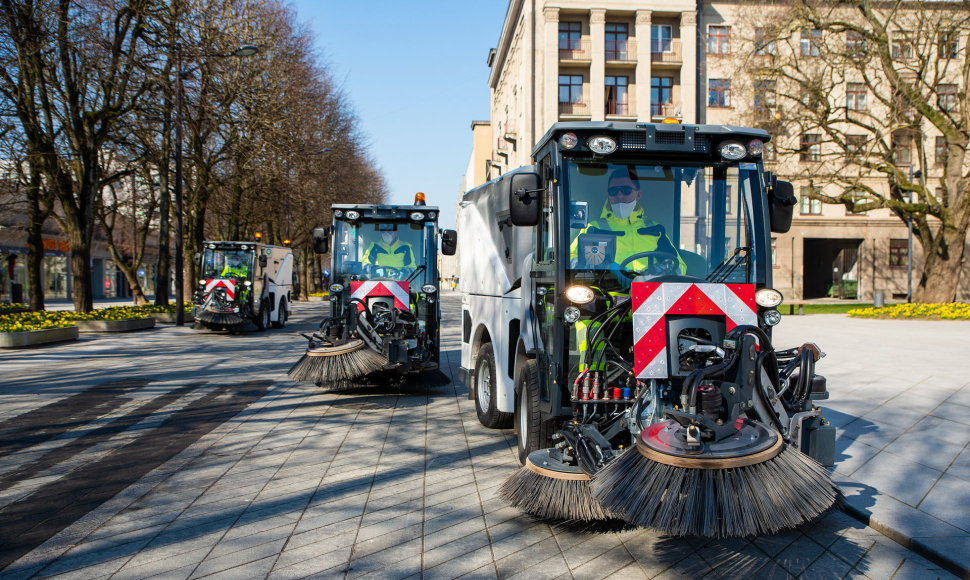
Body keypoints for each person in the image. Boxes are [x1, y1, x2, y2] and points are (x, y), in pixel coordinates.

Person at [570, 167, 685, 280]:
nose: (620, 196)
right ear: (609, 196)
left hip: (648, 292)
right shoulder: (593, 228)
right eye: (614, 191)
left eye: (626, 190)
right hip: (607, 292)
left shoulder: (656, 229)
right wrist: (604, 268)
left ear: (638, 195)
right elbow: (572, 260)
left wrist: (658, 270)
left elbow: (678, 265)